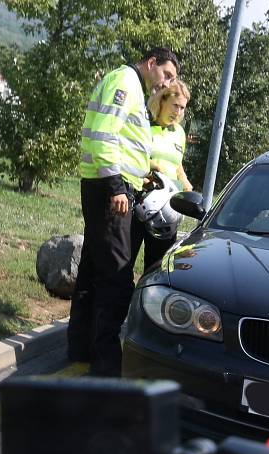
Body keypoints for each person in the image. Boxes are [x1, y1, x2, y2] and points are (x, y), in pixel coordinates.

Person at [68, 47, 180, 376]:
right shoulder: (126, 82)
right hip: (110, 190)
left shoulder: (129, 84)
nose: (168, 82)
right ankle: (106, 365)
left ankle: (81, 348)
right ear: (151, 64)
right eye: (167, 74)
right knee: (116, 278)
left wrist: (138, 173)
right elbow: (103, 135)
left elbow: (122, 141)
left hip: (110, 185)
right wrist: (118, 185)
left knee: (92, 269)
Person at [131, 79, 192, 273]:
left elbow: (177, 163)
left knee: (159, 266)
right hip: (139, 201)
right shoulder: (145, 126)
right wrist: (153, 167)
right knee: (124, 259)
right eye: (175, 105)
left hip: (167, 209)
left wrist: (185, 181)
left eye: (183, 108)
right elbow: (131, 156)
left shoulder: (179, 133)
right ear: (162, 101)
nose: (178, 112)